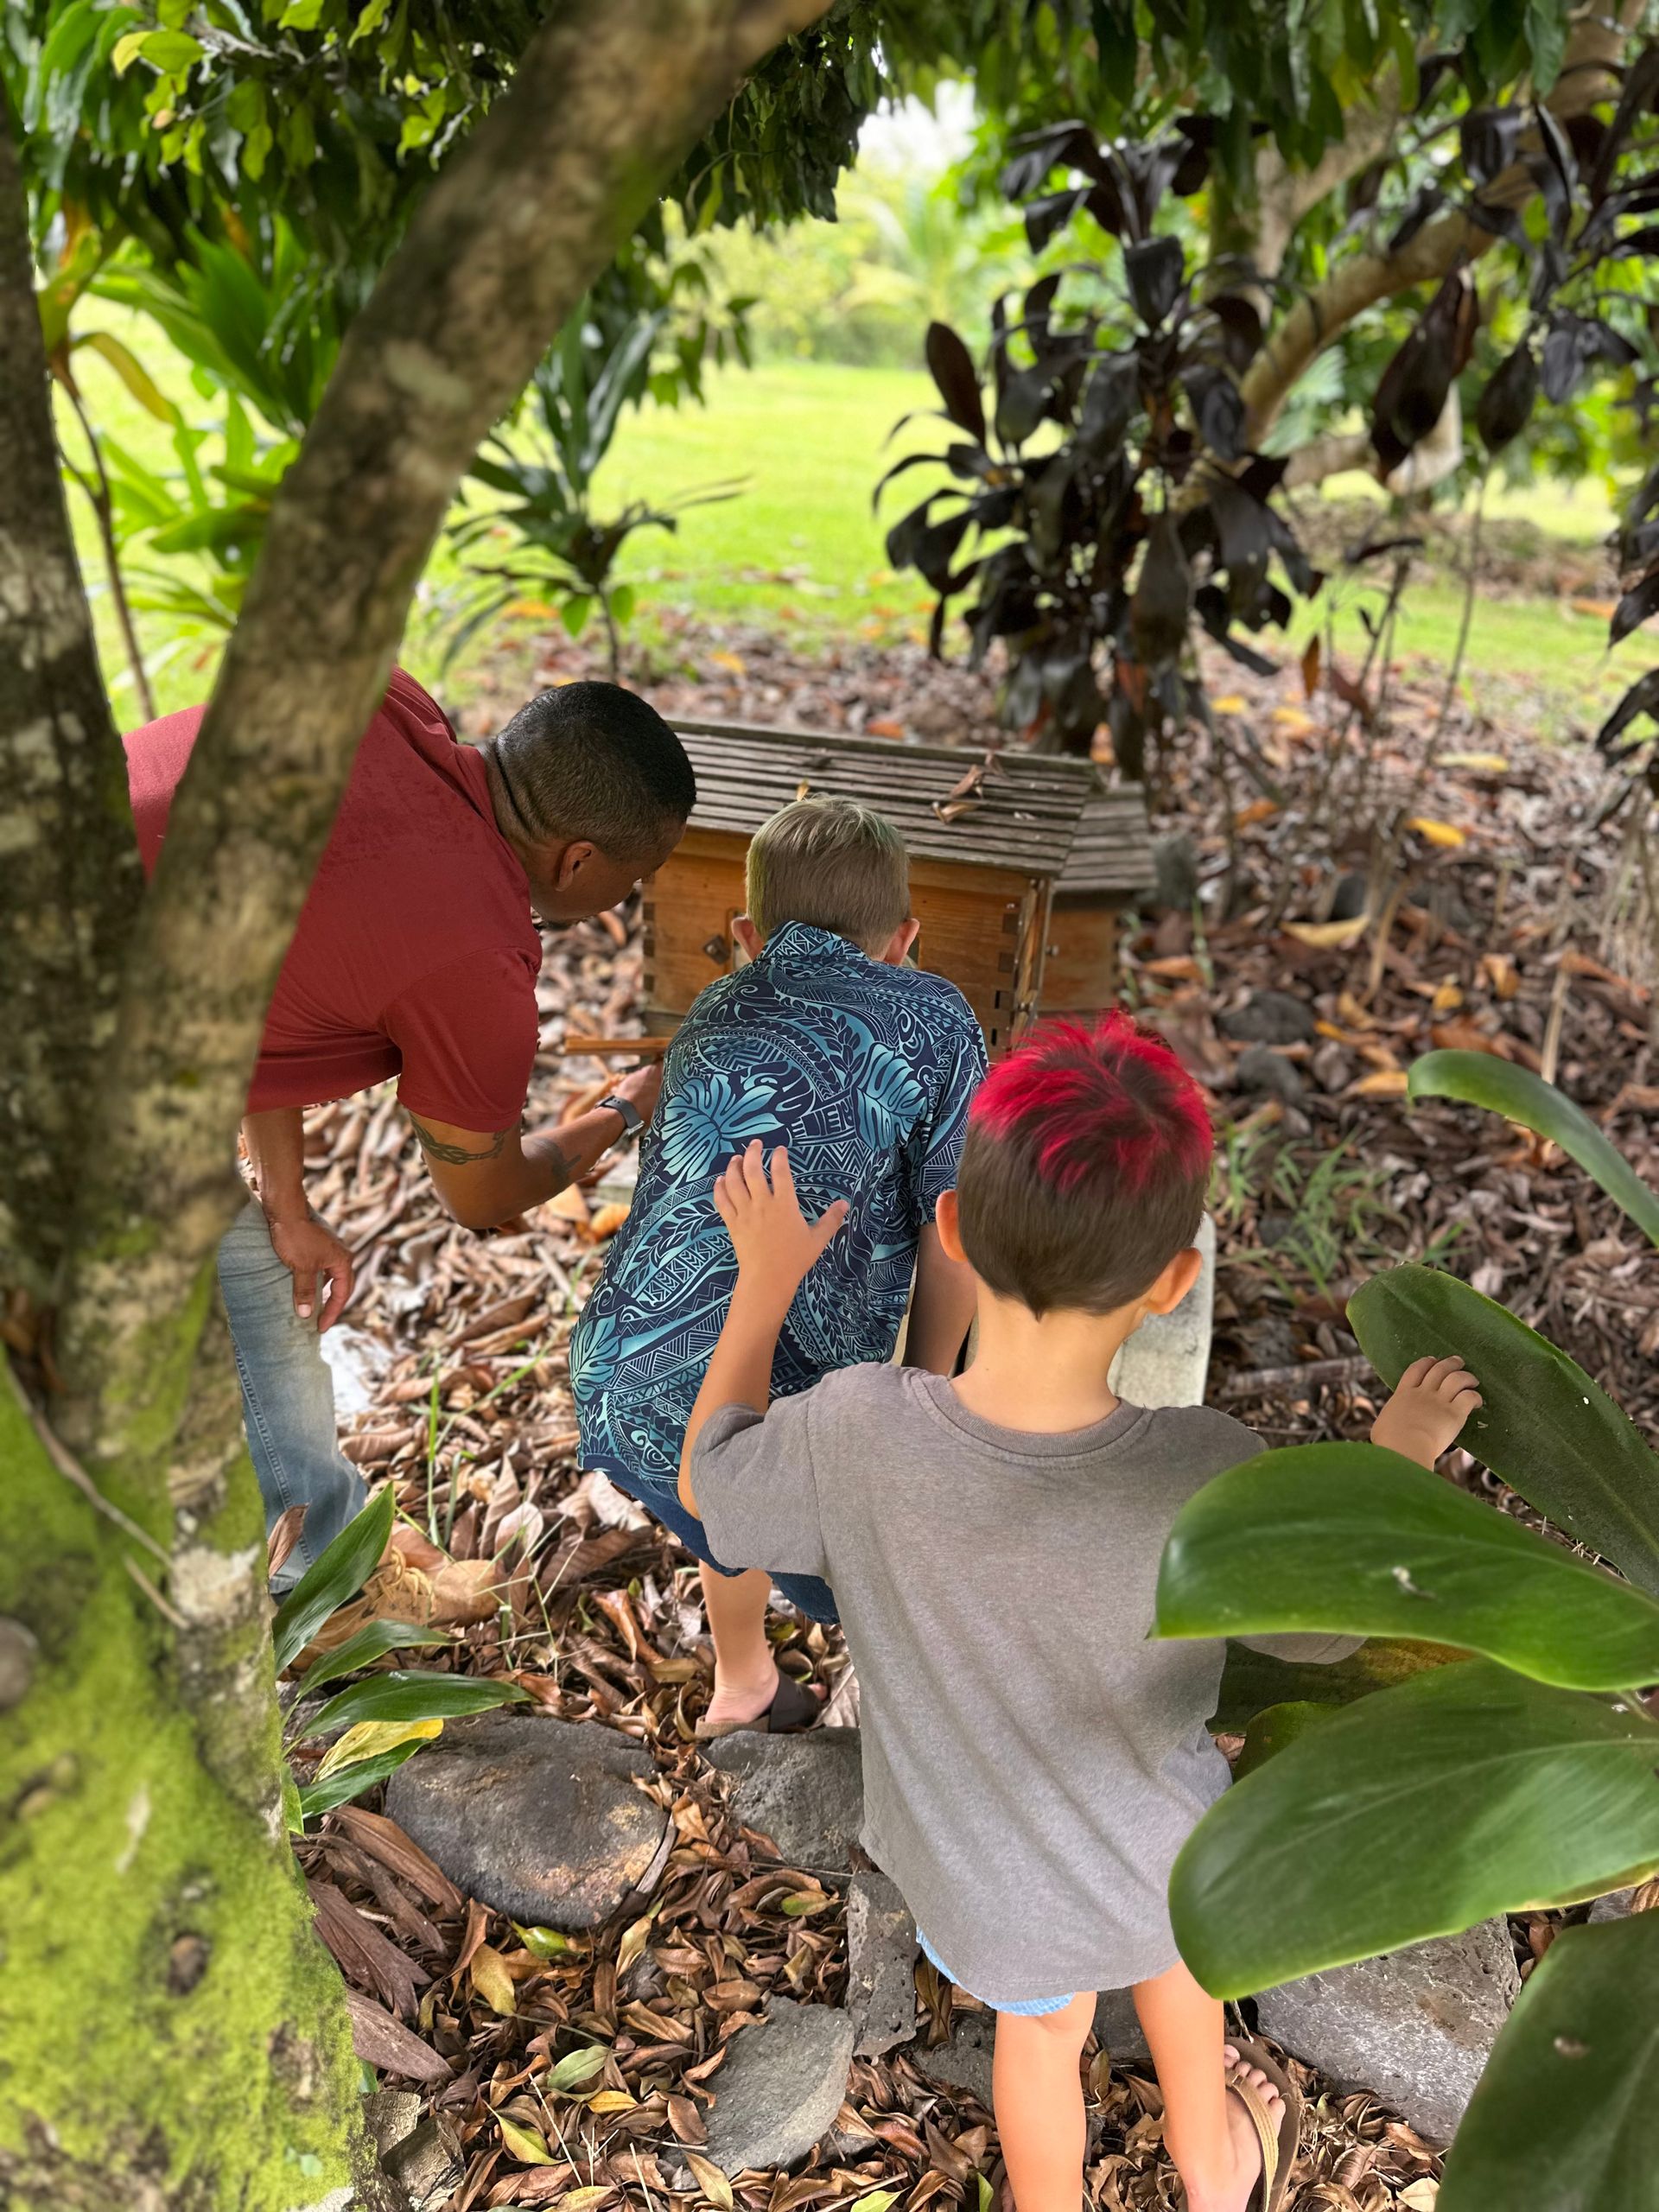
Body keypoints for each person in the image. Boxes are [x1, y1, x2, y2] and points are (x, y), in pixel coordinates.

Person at [677, 1014, 1484, 2212]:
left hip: (979, 1883)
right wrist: (1392, 1456)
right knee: (1179, 1956)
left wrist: (765, 1285)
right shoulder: (1201, 1470)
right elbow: (1323, 1624)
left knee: (1041, 2043)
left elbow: (710, 1488)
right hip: (1165, 1869)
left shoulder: (856, 1433)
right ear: (1171, 1285)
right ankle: (1213, 2168)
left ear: (951, 1229)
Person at [124, 671, 694, 1587]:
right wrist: (627, 1107)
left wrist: (287, 1201)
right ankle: (300, 1581)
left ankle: (313, 1548)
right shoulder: (472, 953)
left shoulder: (380, 702)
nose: (628, 901)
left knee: (256, 1272)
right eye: (635, 880)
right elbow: (484, 1192)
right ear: (578, 860)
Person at [571, 795, 985, 1734]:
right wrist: (919, 1392)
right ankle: (922, 1727)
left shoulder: (715, 1003)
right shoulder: (937, 1015)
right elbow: (952, 1222)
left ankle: (745, 1675)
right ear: (906, 937)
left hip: (626, 1374)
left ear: (748, 934)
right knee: (861, 1524)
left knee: (732, 1466)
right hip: (780, 1388)